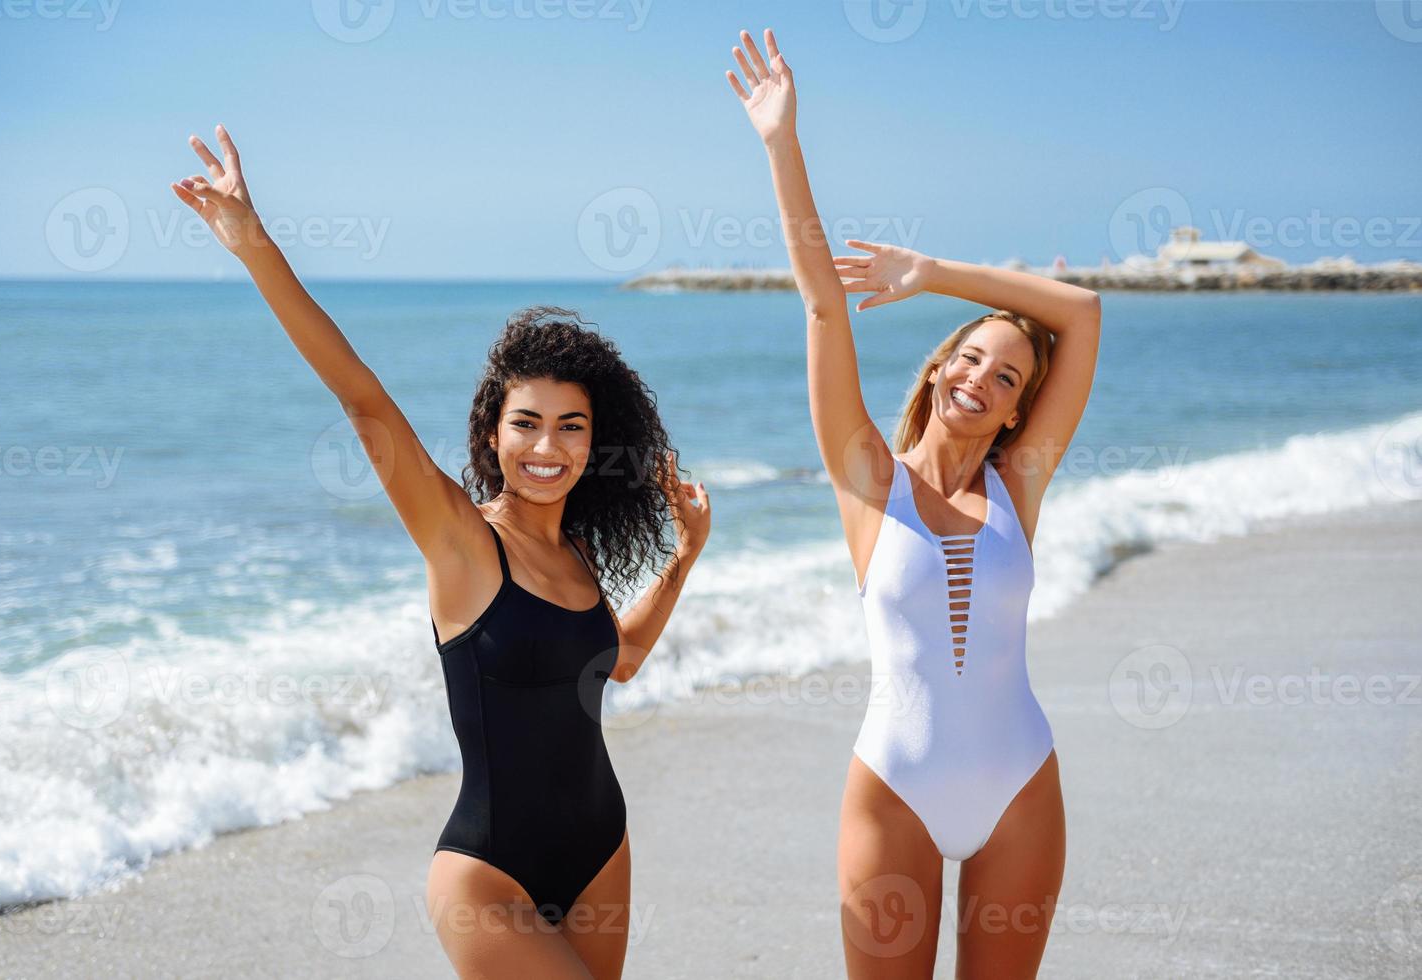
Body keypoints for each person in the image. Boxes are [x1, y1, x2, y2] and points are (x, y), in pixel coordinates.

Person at [170, 127, 710, 979]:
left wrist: (683, 557)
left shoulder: (573, 556)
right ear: (493, 435)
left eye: (571, 426)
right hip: (486, 875)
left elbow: (624, 660)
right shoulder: (462, 539)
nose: (547, 446)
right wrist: (253, 244)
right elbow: (360, 396)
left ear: (595, 442)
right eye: (525, 423)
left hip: (603, 847)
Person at [726, 30, 1101, 978]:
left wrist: (934, 273)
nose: (984, 377)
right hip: (893, 787)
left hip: (1022, 783)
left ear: (1021, 409)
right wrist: (781, 143)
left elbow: (1081, 311)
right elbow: (820, 306)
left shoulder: (1019, 486)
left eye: (1009, 376)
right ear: (937, 372)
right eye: (969, 357)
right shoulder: (867, 478)